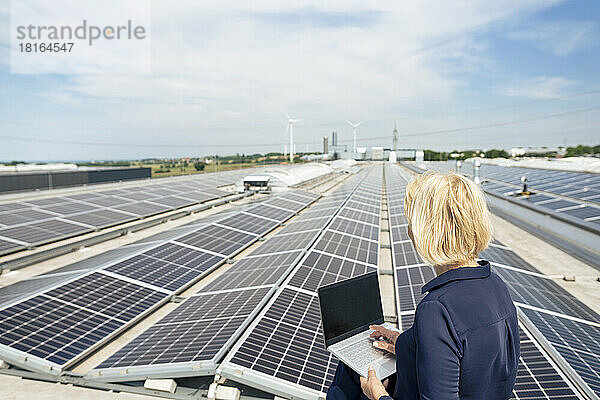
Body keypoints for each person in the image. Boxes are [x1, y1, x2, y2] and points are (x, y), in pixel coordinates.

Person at [327, 171, 520, 400]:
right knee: (353, 365)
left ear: (422, 232)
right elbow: (463, 354)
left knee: (351, 380)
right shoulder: (496, 285)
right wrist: (402, 342)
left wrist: (378, 395)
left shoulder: (437, 309)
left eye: (412, 222)